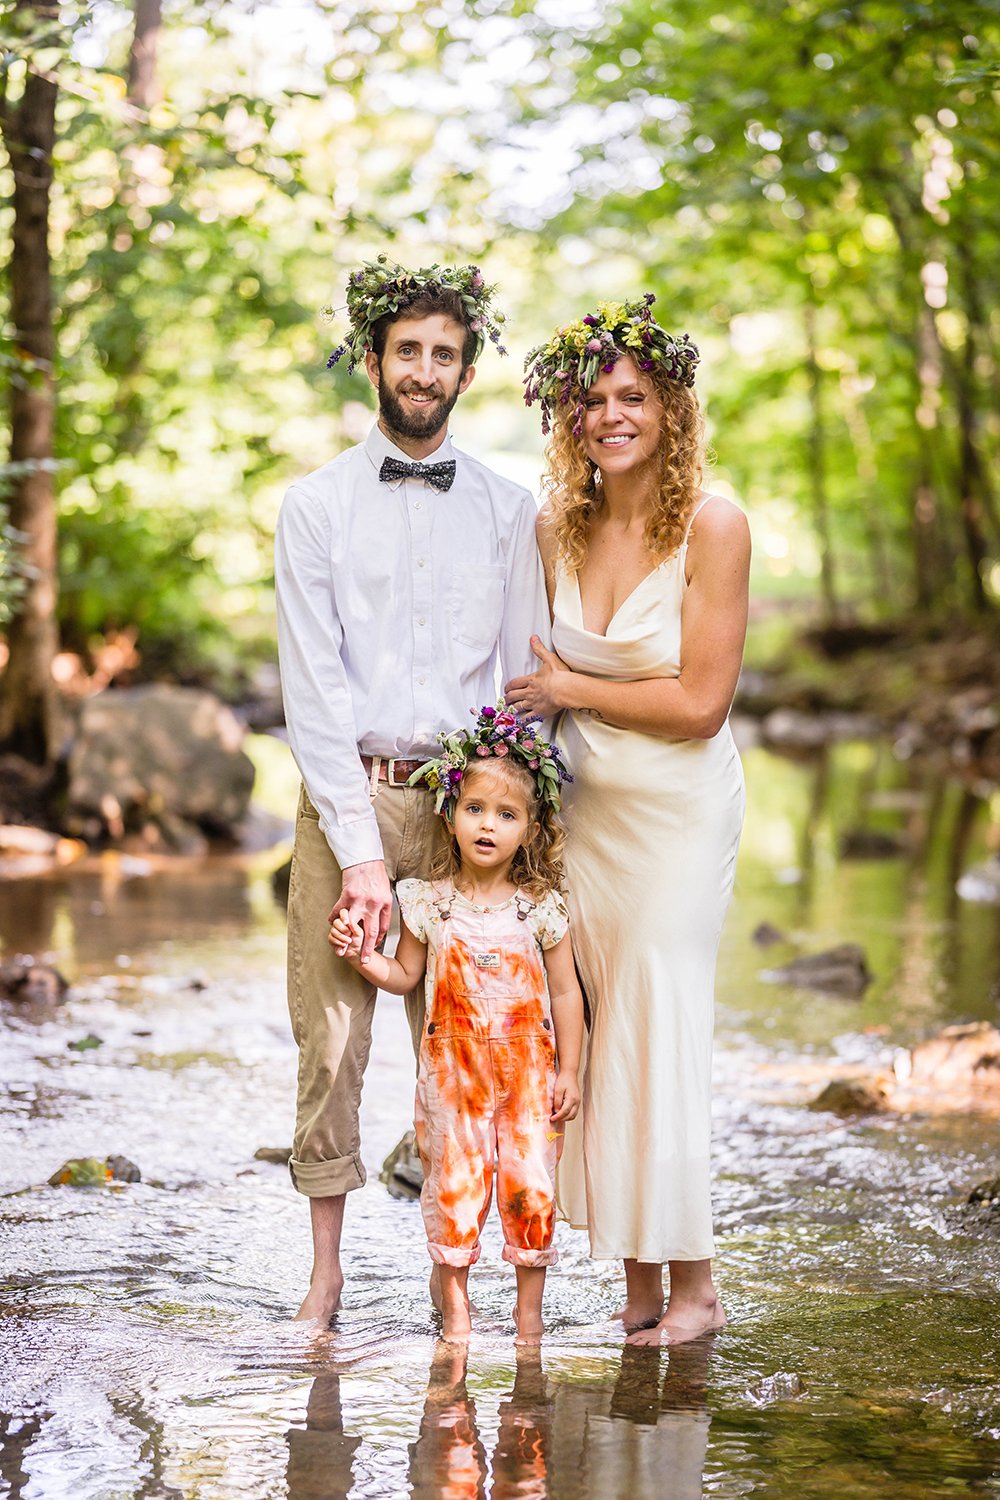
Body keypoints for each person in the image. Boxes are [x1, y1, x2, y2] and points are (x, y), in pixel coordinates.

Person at [274, 258, 548, 1325]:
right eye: (407, 351)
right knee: (332, 1038)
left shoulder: (507, 508)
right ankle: (326, 1273)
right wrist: (356, 856)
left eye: (443, 354)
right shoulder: (316, 506)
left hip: (464, 807)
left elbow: (520, 683)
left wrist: (502, 812)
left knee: (468, 1035)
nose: (423, 370)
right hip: (349, 793)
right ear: (373, 361)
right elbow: (312, 687)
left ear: (466, 371)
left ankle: (458, 1279)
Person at [505, 295, 750, 1345]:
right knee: (598, 1035)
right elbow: (518, 676)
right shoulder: (553, 523)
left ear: (669, 409)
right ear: (569, 417)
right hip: (586, 819)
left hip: (677, 817)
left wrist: (573, 692)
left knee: (660, 1018)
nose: (611, 415)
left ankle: (695, 1287)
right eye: (593, 400)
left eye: (632, 397)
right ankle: (638, 1285)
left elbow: (700, 706)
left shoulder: (713, 524)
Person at [329, 706, 584, 1342]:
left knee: (529, 1190)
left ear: (530, 828)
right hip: (452, 1077)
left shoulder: (540, 910)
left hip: (528, 1076)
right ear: (451, 815)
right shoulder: (427, 901)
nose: (488, 825)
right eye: (475, 809)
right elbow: (406, 978)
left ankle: (530, 1313)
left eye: (506, 815)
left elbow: (568, 994)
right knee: (453, 1186)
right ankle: (459, 1311)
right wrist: (366, 958)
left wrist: (571, 1071)